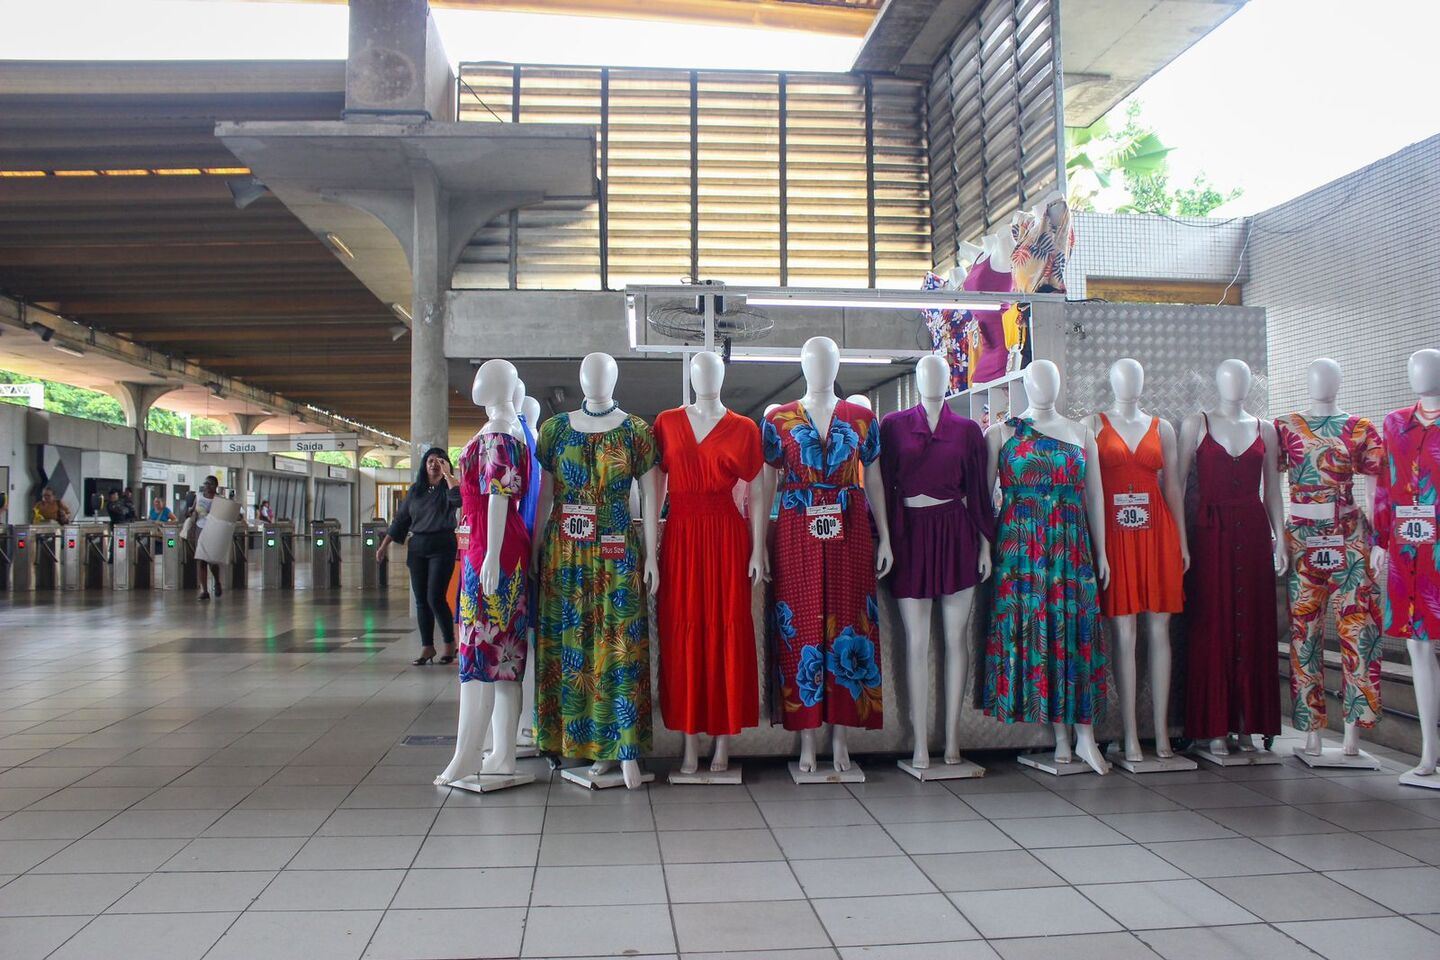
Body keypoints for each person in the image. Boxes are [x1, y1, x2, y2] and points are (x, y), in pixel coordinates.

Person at [376, 448, 462, 665]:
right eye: (430, 461)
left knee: (435, 596)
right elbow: (401, 520)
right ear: (424, 465)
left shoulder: (449, 487)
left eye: (439, 461)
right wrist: (384, 545)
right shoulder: (416, 490)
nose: (434, 464)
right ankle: (427, 647)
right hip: (418, 546)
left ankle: (449, 643)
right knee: (421, 599)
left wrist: (448, 475)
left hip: (442, 545)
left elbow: (458, 500)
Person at [183, 475, 223, 600]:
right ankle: (204, 590)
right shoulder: (199, 497)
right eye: (206, 483)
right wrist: (191, 512)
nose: (207, 486)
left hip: (213, 531)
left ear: (216, 486)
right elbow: (191, 511)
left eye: (210, 484)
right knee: (201, 560)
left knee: (211, 561)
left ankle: (217, 581)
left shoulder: (219, 499)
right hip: (199, 529)